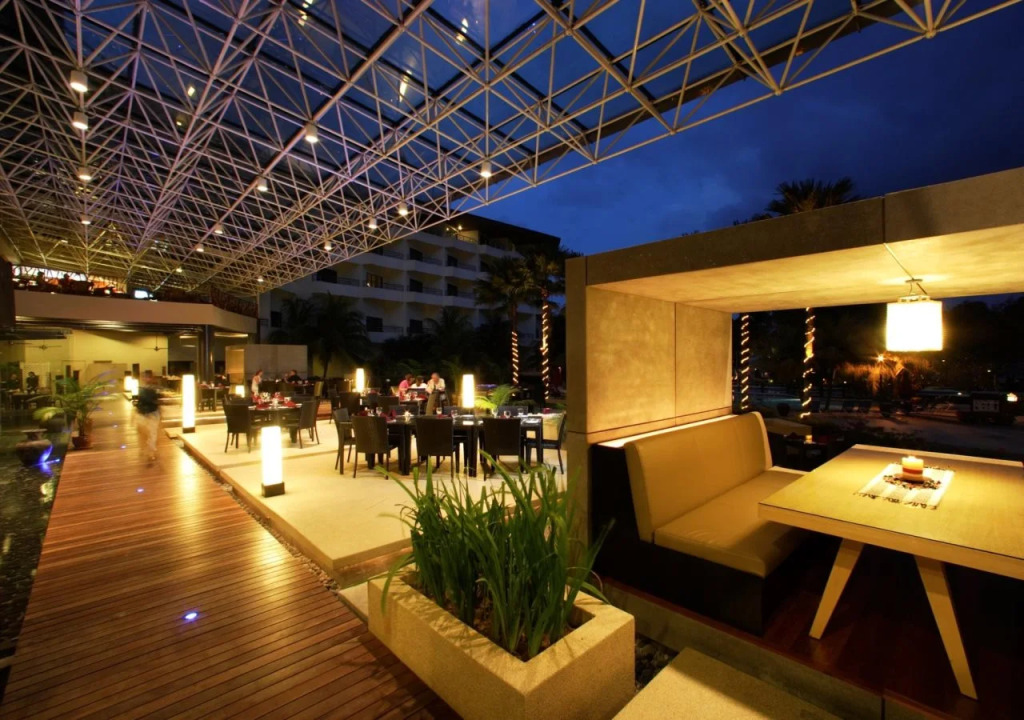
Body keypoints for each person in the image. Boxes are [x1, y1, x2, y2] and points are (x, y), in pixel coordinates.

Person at [135, 371, 161, 463]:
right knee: (148, 433)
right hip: (146, 412)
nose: (145, 379)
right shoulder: (144, 388)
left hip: (151, 413)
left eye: (147, 377)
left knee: (152, 433)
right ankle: (148, 450)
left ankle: (151, 452)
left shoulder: (150, 388)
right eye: (144, 377)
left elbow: (154, 400)